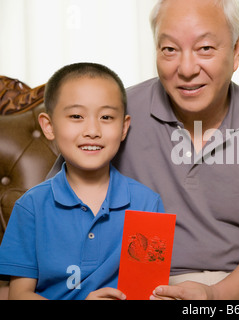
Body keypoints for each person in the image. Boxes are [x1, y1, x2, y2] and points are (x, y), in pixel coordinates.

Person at [50, 0, 239, 300]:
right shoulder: (114, 116)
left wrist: (214, 296)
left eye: (205, 48)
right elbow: (55, 214)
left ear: (236, 51)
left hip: (237, 287)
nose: (186, 69)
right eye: (169, 49)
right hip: (130, 282)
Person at [0, 62, 164, 300]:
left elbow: (146, 291)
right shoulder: (31, 207)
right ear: (49, 126)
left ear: (123, 127)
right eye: (76, 116)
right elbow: (19, 295)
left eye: (106, 117)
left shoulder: (147, 203)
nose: (92, 130)